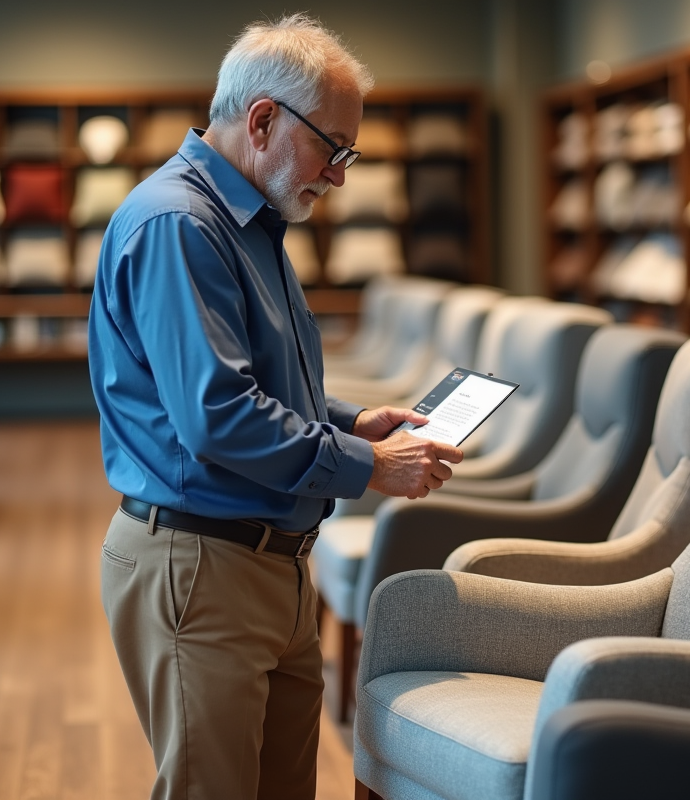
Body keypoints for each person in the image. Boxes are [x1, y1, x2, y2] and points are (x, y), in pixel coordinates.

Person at [87, 14, 462, 800]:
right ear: (263, 120)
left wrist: (354, 419)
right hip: (203, 566)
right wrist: (369, 466)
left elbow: (260, 380)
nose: (341, 175)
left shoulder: (248, 220)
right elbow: (218, 414)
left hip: (271, 563)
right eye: (334, 147)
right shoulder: (180, 225)